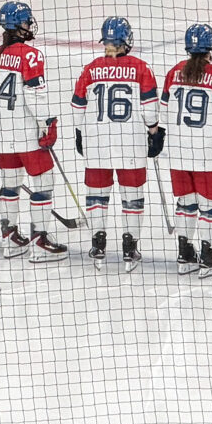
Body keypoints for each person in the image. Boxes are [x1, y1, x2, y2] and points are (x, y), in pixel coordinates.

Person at [71, 17, 161, 268]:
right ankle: (130, 247)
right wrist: (154, 131)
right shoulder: (141, 67)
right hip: (130, 143)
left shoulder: (90, 69)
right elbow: (150, 109)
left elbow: (77, 106)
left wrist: (80, 133)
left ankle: (97, 243)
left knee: (97, 195)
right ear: (126, 40)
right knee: (132, 197)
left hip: (96, 142)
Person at [0, 2, 66, 263]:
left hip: (0, 131)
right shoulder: (31, 55)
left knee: (10, 183)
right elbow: (34, 94)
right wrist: (47, 122)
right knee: (44, 182)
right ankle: (40, 241)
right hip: (25, 130)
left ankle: (10, 239)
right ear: (19, 26)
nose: (30, 26)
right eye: (27, 22)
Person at [160, 24, 212, 279]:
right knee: (210, 207)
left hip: (178, 152)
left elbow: (162, 113)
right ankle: (208, 256)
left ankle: (185, 254)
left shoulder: (173, 73)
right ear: (211, 48)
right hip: (210, 152)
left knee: (185, 204)